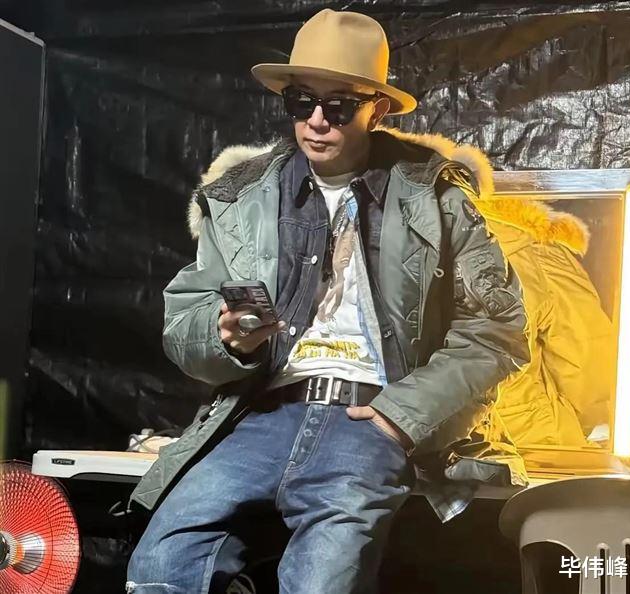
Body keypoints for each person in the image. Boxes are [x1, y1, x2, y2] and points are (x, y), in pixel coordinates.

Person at [126, 8, 530, 594]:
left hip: (370, 419)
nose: (316, 121)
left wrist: (402, 417)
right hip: (259, 417)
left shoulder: (434, 193)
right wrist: (223, 337)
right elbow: (183, 321)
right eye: (301, 102)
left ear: (377, 110)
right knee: (160, 568)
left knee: (321, 584)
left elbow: (497, 328)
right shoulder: (241, 198)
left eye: (339, 106)